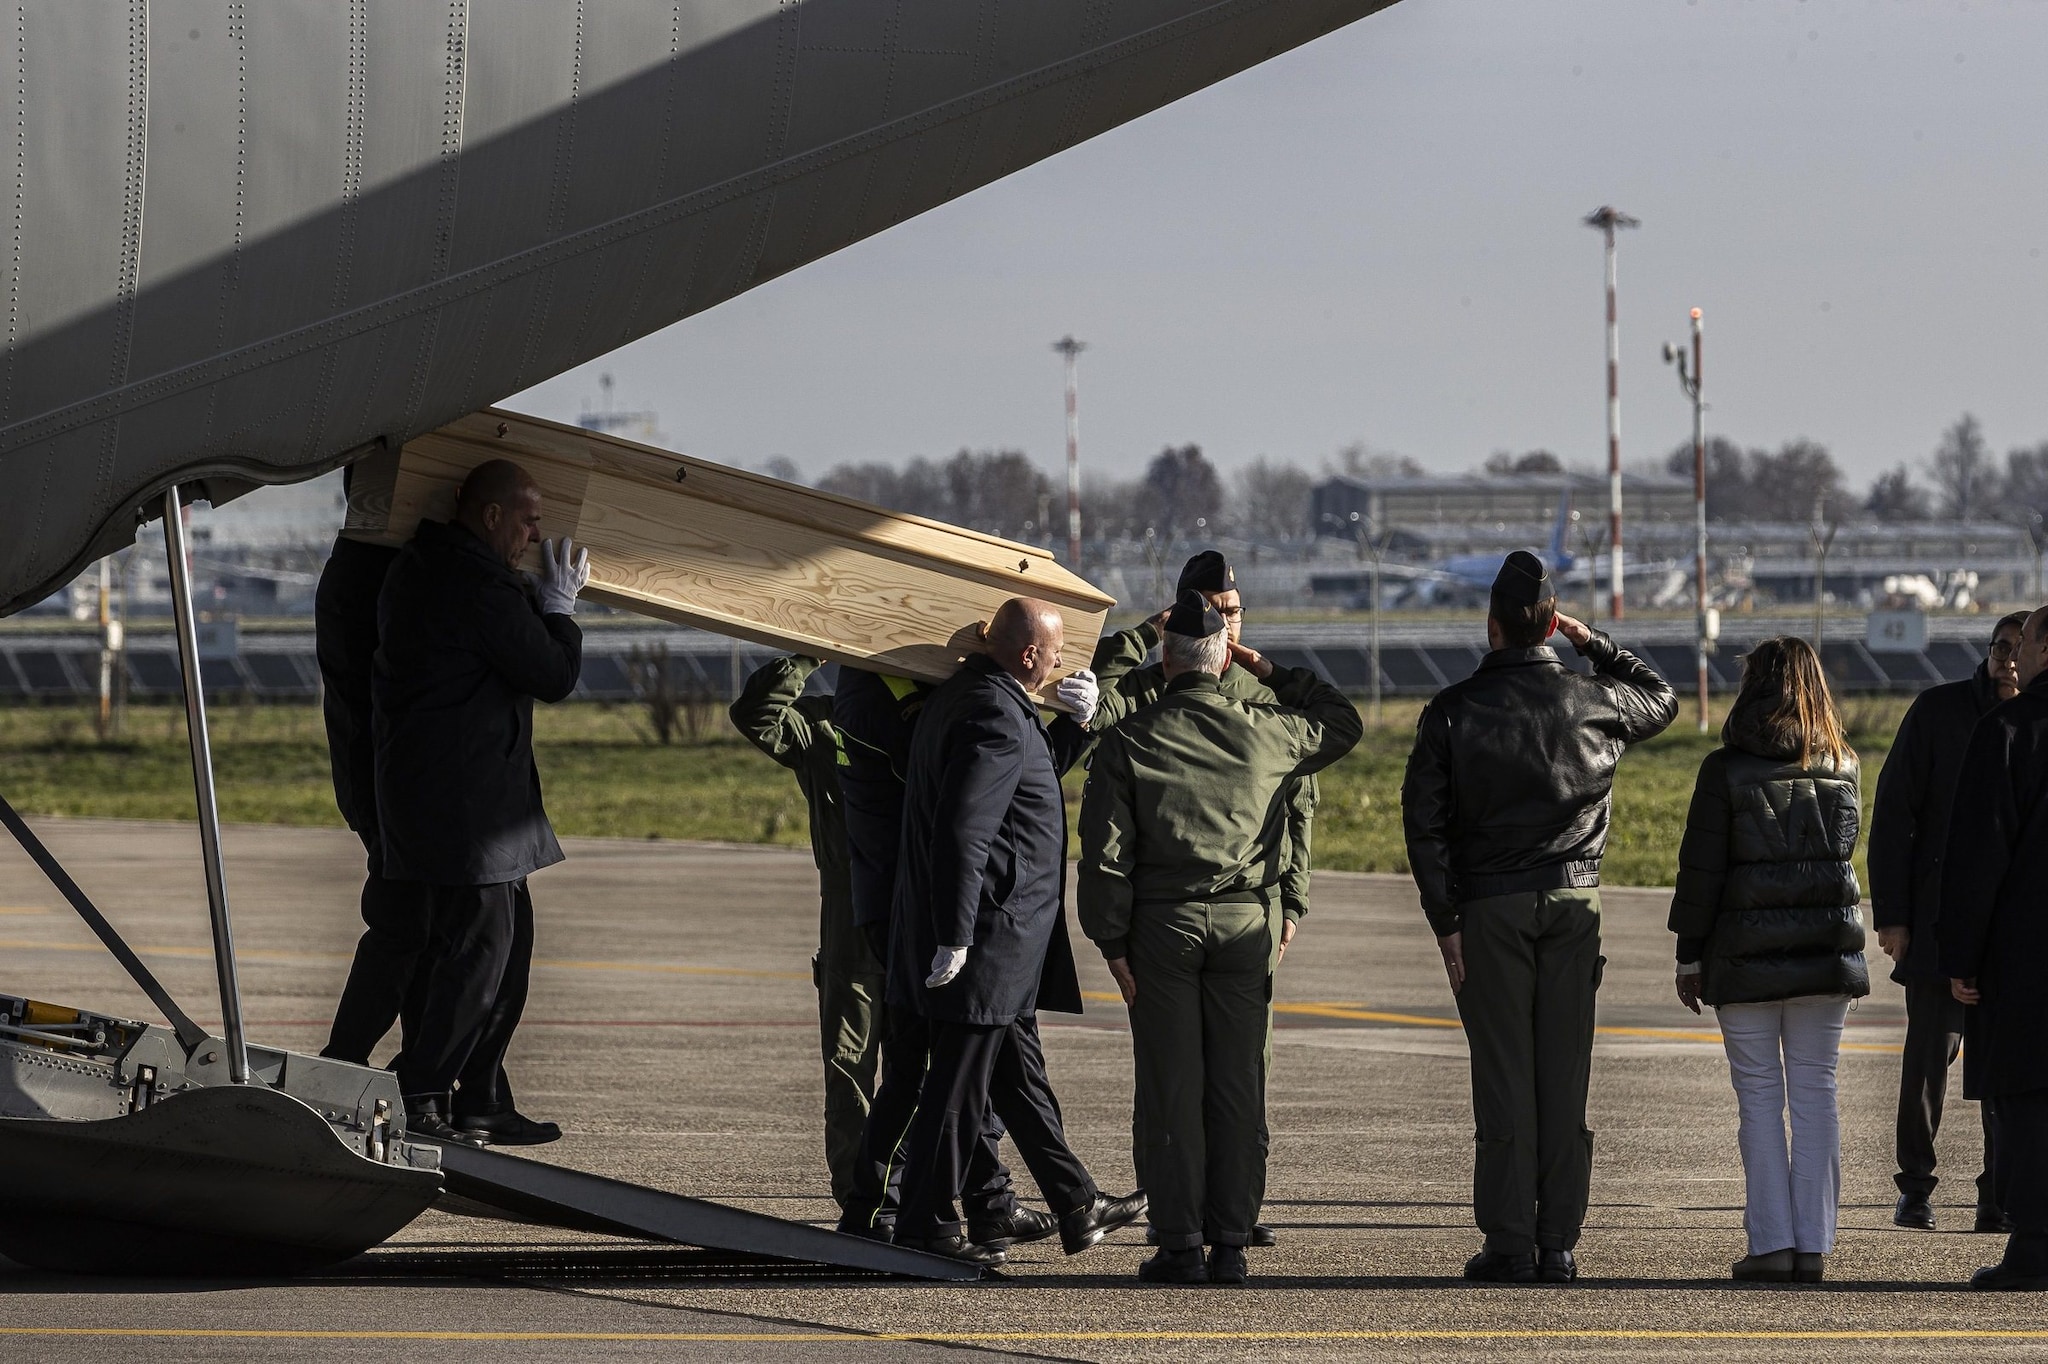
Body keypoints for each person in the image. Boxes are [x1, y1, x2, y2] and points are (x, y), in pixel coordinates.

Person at [1401, 551, 1676, 1284]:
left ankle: (1510, 1241)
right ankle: (1558, 1240)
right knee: (1565, 1079)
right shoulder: (1597, 701)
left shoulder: (1452, 710)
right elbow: (1662, 696)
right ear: (1552, 624)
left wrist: (1445, 921)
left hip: (1490, 904)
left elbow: (1423, 825)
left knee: (1504, 1080)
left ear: (1490, 627)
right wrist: (1592, 643)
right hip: (1574, 898)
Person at [1077, 590, 1362, 1285]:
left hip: (1163, 928)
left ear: (1166, 661)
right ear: (1224, 654)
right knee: (1239, 1087)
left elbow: (1104, 853)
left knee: (1171, 1087)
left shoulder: (1130, 739)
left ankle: (1178, 1242)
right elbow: (1342, 722)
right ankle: (1231, 1240)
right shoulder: (1269, 729)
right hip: (1247, 925)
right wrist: (1267, 669)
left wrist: (1110, 942)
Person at [889, 597, 1146, 1266]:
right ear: (1029, 653)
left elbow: (1023, 780)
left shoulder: (978, 699)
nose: (1063, 662)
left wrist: (1080, 725)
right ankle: (924, 1223)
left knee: (1017, 1081)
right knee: (956, 1087)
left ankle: (1076, 1203)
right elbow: (965, 829)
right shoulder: (996, 715)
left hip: (996, 939)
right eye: (1056, 651)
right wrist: (955, 935)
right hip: (990, 937)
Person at [374, 459, 587, 1146]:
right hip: (469, 808)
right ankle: (423, 1090)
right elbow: (551, 674)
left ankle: (480, 1094)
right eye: (527, 520)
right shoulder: (475, 585)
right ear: (491, 515)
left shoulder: (429, 566)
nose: (534, 536)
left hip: (454, 800)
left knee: (503, 949)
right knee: (482, 956)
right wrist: (559, 608)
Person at [1668, 637, 1867, 1285]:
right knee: (1817, 1093)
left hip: (1743, 955)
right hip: (1827, 950)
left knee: (1758, 1098)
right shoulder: (1844, 764)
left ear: (1753, 688)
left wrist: (1689, 954)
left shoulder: (1723, 770)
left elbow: (1701, 873)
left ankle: (1771, 1244)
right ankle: (1814, 1244)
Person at [1869, 611, 2027, 1233]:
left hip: (2010, 935)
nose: (2008, 657)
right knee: (1928, 1062)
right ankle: (1915, 1186)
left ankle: (1997, 1192)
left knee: (2002, 1069)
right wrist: (1895, 917)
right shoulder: (1938, 713)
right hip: (1938, 922)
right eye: (1999, 646)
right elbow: (1893, 815)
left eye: (2020, 647)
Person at [729, 655, 888, 1218]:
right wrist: (807, 655)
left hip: (923, 912)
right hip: (851, 915)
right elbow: (756, 714)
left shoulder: (939, 713)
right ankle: (863, 1198)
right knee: (851, 1065)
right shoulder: (825, 725)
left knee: (923, 1068)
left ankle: (917, 1192)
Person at [1940, 603, 2048, 1292]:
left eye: (2031, 638)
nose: (2021, 653)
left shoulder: (2007, 731)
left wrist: (1961, 958)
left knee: (2029, 1104)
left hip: (2025, 955)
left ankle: (2036, 1247)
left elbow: (1978, 856)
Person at [316, 466, 433, 1067]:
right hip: (389, 786)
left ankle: (407, 1067)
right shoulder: (381, 581)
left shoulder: (356, 573)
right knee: (408, 923)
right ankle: (347, 1061)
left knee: (417, 924)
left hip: (377, 782)